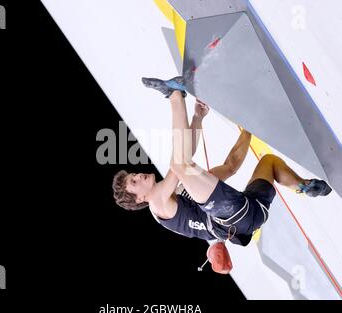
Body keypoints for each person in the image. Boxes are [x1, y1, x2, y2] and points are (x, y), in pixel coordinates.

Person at [112, 76, 332, 255]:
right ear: (139, 199)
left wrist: (201, 119)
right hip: (232, 217)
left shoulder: (183, 190)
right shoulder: (158, 206)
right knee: (181, 165)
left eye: (134, 174)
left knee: (269, 162)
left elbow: (230, 166)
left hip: (252, 212)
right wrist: (178, 99)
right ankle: (174, 94)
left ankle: (303, 186)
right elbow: (181, 163)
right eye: (134, 181)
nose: (139, 175)